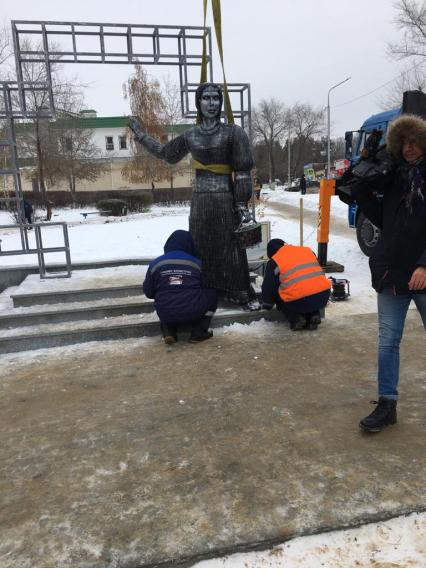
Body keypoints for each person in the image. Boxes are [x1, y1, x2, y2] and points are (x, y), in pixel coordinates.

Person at [129, 82, 258, 310]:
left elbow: (243, 172)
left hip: (225, 199)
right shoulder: (191, 135)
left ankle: (239, 291)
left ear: (220, 102)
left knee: (231, 247)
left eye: (215, 98)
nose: (211, 103)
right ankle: (205, 288)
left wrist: (241, 204)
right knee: (201, 245)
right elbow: (165, 153)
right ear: (198, 103)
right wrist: (141, 137)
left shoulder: (233, 133)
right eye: (206, 98)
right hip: (200, 200)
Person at [336, 115, 426, 433]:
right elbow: (379, 217)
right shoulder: (392, 177)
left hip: (422, 274)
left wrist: (424, 264)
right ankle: (387, 404)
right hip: (391, 272)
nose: (410, 148)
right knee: (388, 343)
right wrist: (360, 178)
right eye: (404, 143)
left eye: (415, 141)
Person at [142, 230, 218, 344]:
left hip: (166, 312)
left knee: (163, 299)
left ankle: (168, 331)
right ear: (189, 245)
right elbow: (204, 287)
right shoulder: (197, 263)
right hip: (194, 311)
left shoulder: (155, 264)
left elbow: (148, 292)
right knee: (212, 294)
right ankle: (199, 331)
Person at [261, 238, 331, 330]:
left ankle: (296, 319)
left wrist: (267, 304)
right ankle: (314, 315)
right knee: (309, 289)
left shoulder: (274, 261)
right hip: (323, 296)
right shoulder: (307, 250)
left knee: (281, 296)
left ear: (271, 253)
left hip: (298, 301)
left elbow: (269, 288)